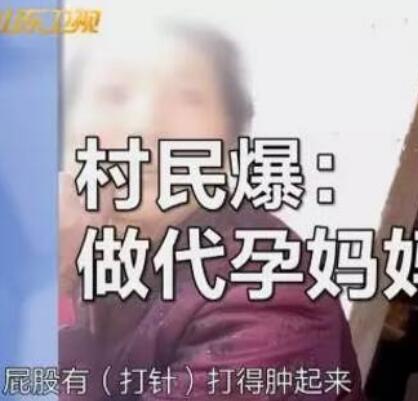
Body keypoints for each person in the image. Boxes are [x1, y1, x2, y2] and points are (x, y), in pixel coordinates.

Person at [59, 20, 364, 401]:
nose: (145, 127)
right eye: (114, 92)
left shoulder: (269, 293)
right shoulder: (84, 238)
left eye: (188, 97)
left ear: (231, 140)